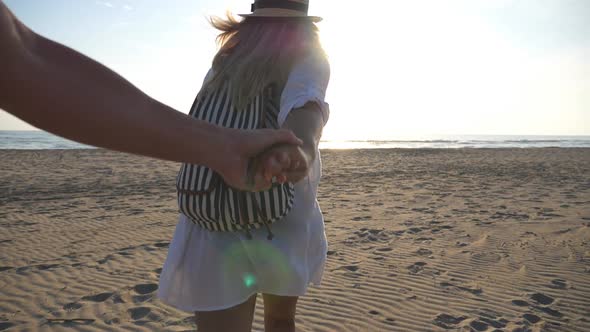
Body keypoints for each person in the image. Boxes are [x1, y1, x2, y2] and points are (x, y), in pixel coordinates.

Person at [156, 1, 330, 331]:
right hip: (280, 208)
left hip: (213, 205)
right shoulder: (309, 53)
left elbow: (306, 111)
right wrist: (300, 149)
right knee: (280, 321)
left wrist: (301, 146)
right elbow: (307, 106)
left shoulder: (226, 59)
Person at [0, 0, 301, 190]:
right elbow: (22, 58)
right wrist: (224, 147)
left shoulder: (226, 56)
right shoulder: (301, 56)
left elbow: (20, 60)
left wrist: (224, 147)